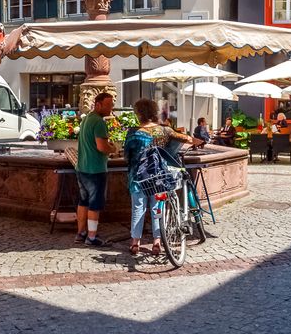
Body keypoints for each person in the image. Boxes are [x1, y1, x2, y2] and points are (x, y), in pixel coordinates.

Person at [124, 97, 202, 257]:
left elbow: (126, 155)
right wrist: (198, 141)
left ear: (138, 113)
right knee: (156, 208)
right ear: (154, 112)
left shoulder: (133, 133)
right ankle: (157, 242)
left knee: (138, 208)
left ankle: (135, 243)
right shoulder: (165, 130)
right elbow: (186, 138)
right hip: (159, 175)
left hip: (138, 177)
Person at [74, 92, 115, 247]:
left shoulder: (86, 120)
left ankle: (81, 233)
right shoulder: (99, 122)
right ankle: (91, 237)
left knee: (83, 201)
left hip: (82, 168)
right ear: (98, 104)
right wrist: (113, 148)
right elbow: (101, 146)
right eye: (108, 105)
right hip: (95, 169)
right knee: (95, 204)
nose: (111, 108)